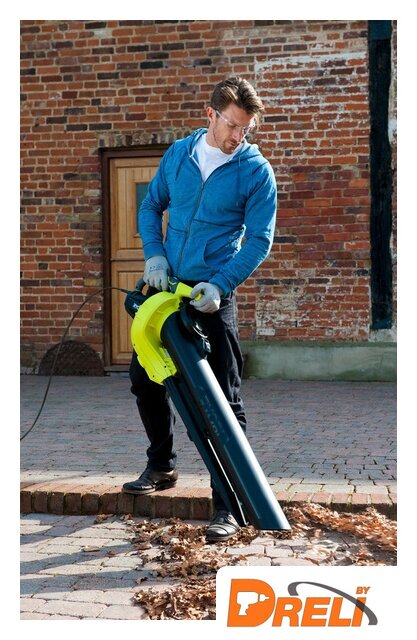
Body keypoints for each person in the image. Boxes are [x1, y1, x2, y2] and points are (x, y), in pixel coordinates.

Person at [122, 76, 277, 542]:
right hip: (166, 290)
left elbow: (260, 240)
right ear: (210, 114)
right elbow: (151, 207)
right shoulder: (179, 155)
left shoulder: (255, 172)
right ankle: (162, 465)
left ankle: (228, 506)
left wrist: (221, 284)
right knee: (145, 379)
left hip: (210, 296)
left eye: (246, 129)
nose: (237, 137)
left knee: (223, 402)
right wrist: (154, 255)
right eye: (231, 125)